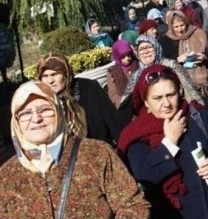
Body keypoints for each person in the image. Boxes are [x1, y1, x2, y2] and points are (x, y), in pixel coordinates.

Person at [0, 81, 150, 217]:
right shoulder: (5, 176)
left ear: (58, 111)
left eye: (45, 109)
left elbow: (134, 205)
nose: (36, 118)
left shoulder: (96, 154)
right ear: (16, 122)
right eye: (25, 113)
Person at [117, 64, 208, 219]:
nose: (167, 104)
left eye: (171, 94)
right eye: (157, 98)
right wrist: (169, 143)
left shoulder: (196, 115)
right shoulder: (136, 136)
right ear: (146, 103)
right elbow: (144, 176)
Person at [37, 53, 124, 145]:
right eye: (45, 76)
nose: (50, 81)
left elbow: (113, 121)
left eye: (54, 74)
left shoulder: (89, 87)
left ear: (66, 73)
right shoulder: (41, 100)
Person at [159, 11, 208, 96]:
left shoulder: (199, 33)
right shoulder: (165, 40)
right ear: (171, 26)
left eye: (182, 25)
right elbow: (163, 63)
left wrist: (205, 56)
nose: (180, 29)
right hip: (184, 87)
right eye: (176, 27)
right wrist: (177, 59)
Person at [107, 40, 139, 109]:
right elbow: (113, 93)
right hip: (125, 107)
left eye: (129, 54)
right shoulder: (112, 72)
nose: (127, 58)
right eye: (123, 56)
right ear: (117, 56)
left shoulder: (138, 64)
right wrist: (122, 102)